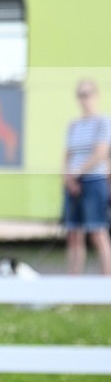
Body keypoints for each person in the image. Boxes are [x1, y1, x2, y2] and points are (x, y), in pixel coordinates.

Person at [62, 79, 111, 275]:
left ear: (96, 96)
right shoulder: (74, 125)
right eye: (81, 95)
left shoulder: (103, 122)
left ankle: (107, 280)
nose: (84, 99)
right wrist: (68, 178)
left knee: (97, 232)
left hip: (94, 181)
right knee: (73, 234)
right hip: (73, 183)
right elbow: (67, 154)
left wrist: (77, 172)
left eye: (88, 94)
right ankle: (73, 281)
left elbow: (100, 153)